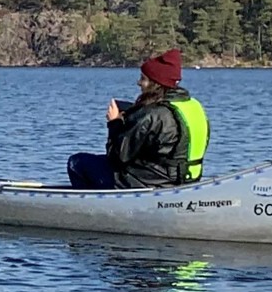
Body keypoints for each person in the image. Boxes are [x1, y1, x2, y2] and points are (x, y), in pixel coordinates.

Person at [69, 49, 208, 189]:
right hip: (185, 180)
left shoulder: (150, 115)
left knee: (76, 162)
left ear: (155, 83)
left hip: (148, 182)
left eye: (143, 79)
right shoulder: (194, 106)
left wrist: (114, 123)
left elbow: (117, 159)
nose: (138, 83)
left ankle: (93, 206)